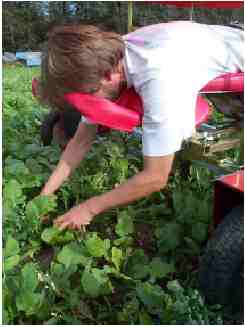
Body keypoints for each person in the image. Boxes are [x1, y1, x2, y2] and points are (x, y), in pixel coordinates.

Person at [37, 22, 243, 230]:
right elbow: (80, 141)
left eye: (88, 98)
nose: (85, 106)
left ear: (108, 77)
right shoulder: (105, 57)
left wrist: (89, 208)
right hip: (213, 41)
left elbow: (155, 177)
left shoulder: (161, 80)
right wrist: (44, 198)